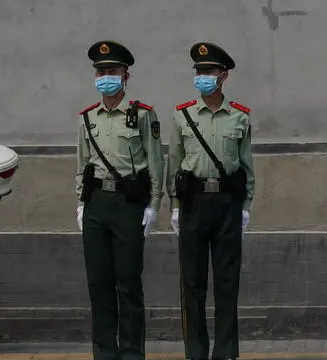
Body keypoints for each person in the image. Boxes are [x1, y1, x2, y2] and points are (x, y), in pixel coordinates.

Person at [75, 40, 165, 360]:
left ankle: (130, 352)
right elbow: (82, 163)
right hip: (97, 203)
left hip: (128, 205)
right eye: (100, 72)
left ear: (125, 74)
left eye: (111, 71)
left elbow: (156, 162)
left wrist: (154, 205)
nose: (105, 76)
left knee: (128, 284)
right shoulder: (88, 118)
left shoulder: (142, 115)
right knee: (99, 284)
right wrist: (81, 204)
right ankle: (104, 352)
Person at [165, 42, 255, 360]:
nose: (203, 76)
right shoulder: (182, 115)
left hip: (227, 204)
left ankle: (226, 351)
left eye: (210, 71)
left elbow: (246, 166)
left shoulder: (239, 117)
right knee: (192, 282)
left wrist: (245, 208)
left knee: (227, 281)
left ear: (223, 76)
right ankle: (196, 351)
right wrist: (174, 207)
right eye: (199, 71)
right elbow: (173, 163)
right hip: (193, 202)